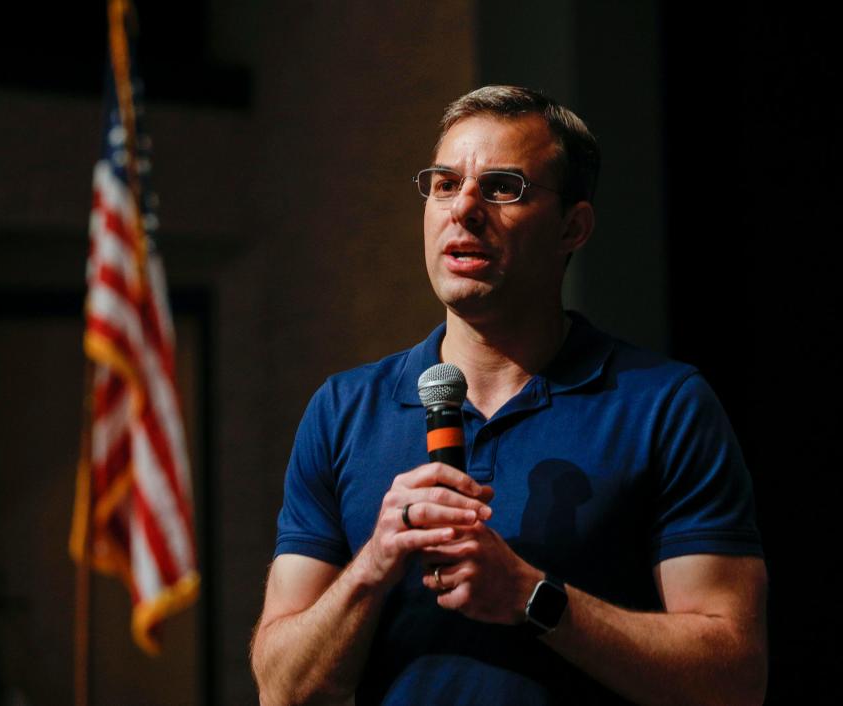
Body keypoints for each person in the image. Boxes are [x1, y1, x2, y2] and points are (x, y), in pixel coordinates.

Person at [250, 85, 767, 705]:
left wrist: (532, 598)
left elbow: (734, 679)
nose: (463, 208)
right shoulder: (342, 411)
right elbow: (282, 690)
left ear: (572, 227)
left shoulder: (665, 406)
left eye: (501, 187)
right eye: (444, 183)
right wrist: (375, 562)